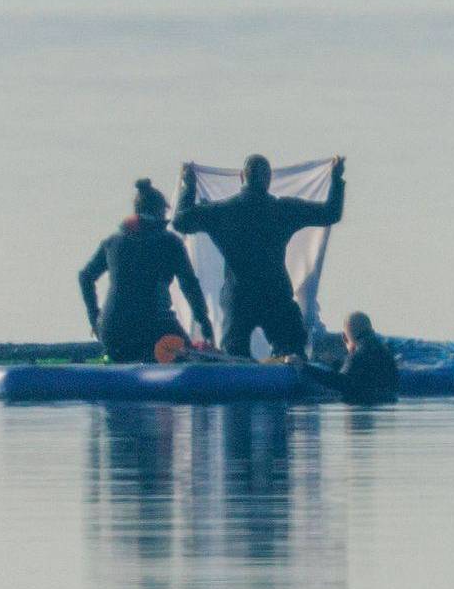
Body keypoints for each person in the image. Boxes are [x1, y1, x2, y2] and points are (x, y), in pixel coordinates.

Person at [173, 154, 345, 357]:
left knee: (234, 359)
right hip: (275, 293)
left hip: (239, 296)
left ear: (241, 177)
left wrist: (189, 186)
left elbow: (180, 222)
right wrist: (336, 177)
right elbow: (331, 213)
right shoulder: (282, 210)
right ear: (269, 179)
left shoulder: (223, 211)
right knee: (292, 354)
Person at [78, 179, 215, 363]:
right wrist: (204, 322)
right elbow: (189, 284)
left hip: (112, 334)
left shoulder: (113, 242)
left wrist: (95, 319)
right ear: (160, 212)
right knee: (190, 355)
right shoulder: (169, 243)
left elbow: (85, 276)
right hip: (152, 328)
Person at [298, 312, 399, 404]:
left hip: (363, 403)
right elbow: (362, 374)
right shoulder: (386, 353)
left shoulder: (358, 353)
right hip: (389, 400)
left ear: (344, 337)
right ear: (372, 330)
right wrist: (335, 363)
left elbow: (340, 382)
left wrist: (303, 366)